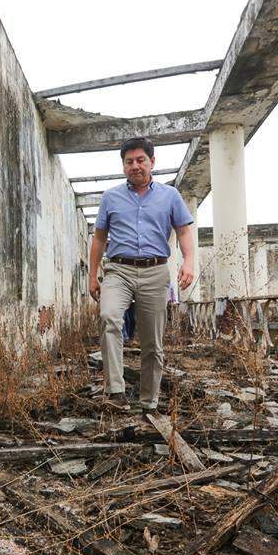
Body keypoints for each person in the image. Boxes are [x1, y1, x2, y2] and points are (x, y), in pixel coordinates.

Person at [89, 138, 195, 411]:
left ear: (152, 162)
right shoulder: (110, 197)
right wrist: (92, 275)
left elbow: (184, 230)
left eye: (140, 160)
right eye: (129, 161)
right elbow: (100, 238)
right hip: (118, 271)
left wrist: (189, 262)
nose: (135, 166)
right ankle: (115, 391)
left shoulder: (170, 196)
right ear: (123, 165)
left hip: (155, 271)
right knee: (109, 316)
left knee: (152, 341)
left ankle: (149, 401)